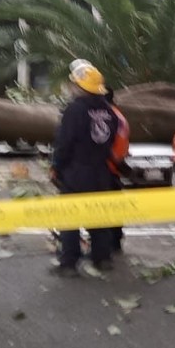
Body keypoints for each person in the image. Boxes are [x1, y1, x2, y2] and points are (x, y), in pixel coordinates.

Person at [49, 59, 121, 277]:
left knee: (70, 218)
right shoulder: (110, 112)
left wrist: (56, 167)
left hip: (76, 172)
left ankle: (69, 263)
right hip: (100, 172)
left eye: (73, 84)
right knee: (98, 217)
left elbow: (65, 143)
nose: (71, 87)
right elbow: (110, 141)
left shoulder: (74, 110)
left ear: (80, 87)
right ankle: (102, 258)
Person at [104, 87, 130, 255]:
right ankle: (116, 241)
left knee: (105, 209)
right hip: (116, 166)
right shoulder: (120, 115)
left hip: (108, 167)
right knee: (114, 207)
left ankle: (109, 244)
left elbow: (106, 143)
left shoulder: (108, 116)